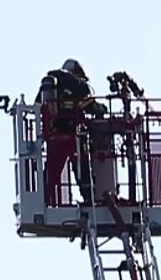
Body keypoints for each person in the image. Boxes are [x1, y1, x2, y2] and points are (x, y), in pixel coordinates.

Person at [39, 59, 112, 204]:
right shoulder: (78, 85)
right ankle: (88, 198)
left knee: (52, 171)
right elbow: (90, 107)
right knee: (83, 169)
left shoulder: (50, 86)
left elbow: (39, 108)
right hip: (74, 136)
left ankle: (45, 199)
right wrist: (102, 109)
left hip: (54, 137)